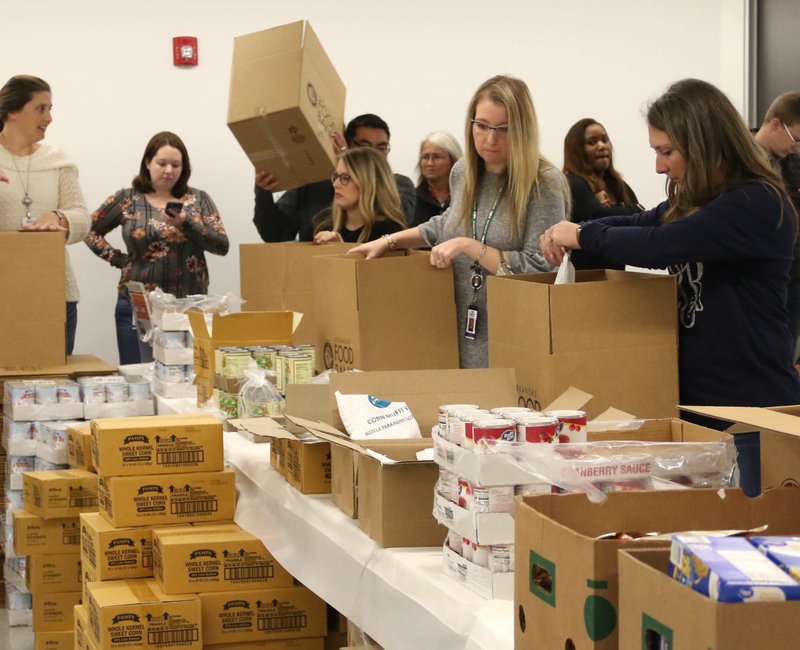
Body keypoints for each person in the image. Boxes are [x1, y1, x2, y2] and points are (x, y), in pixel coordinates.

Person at [541, 78, 800, 411]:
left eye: (667, 152)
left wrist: (580, 235)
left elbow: (661, 244)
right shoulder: (699, 199)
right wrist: (578, 228)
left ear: (704, 144)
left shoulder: (755, 202)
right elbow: (642, 221)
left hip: (752, 407)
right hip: (698, 401)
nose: (659, 167)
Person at [351, 75, 568, 368]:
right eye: (482, 126)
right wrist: (389, 241)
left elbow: (542, 268)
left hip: (513, 336)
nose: (490, 140)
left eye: (504, 129)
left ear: (523, 130)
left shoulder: (544, 184)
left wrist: (470, 247)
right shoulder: (464, 171)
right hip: (457, 328)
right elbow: (447, 225)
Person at [85, 131, 229, 365]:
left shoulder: (198, 200)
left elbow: (221, 245)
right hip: (138, 305)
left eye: (176, 165)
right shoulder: (127, 199)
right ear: (147, 162)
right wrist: (119, 260)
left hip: (188, 307)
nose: (169, 170)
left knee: (183, 380)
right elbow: (88, 230)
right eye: (162, 163)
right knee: (137, 376)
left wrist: (186, 224)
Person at [0, 75, 90, 355]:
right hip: (4, 294)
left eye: (51, 109)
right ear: (13, 112)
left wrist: (60, 217)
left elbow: (83, 218)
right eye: (41, 108)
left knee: (52, 388)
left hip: (55, 294)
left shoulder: (58, 160)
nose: (49, 117)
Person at [252, 113, 415, 241]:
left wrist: (350, 164)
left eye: (381, 147)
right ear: (347, 143)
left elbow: (396, 216)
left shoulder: (399, 184)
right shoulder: (315, 188)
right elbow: (276, 234)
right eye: (364, 146)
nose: (373, 155)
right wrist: (263, 190)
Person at [753, 92, 800, 353]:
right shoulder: (739, 162)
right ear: (774, 124)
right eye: (796, 140)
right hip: (757, 278)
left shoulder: (792, 162)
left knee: (785, 353)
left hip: (792, 273)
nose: (797, 148)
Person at [563, 118, 642, 270]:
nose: (601, 146)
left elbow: (639, 221)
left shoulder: (617, 184)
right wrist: (631, 210)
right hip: (585, 279)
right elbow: (598, 216)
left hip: (615, 275)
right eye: (592, 142)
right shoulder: (572, 182)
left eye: (605, 140)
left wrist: (618, 211)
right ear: (576, 149)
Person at [313, 147, 406, 244]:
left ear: (369, 183)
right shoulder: (322, 225)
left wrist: (340, 249)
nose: (335, 184)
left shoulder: (390, 233)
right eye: (336, 177)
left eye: (345, 178)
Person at [412, 131, 463, 227]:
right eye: (425, 157)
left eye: (436, 157)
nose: (430, 163)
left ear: (453, 160)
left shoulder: (465, 198)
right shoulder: (412, 200)